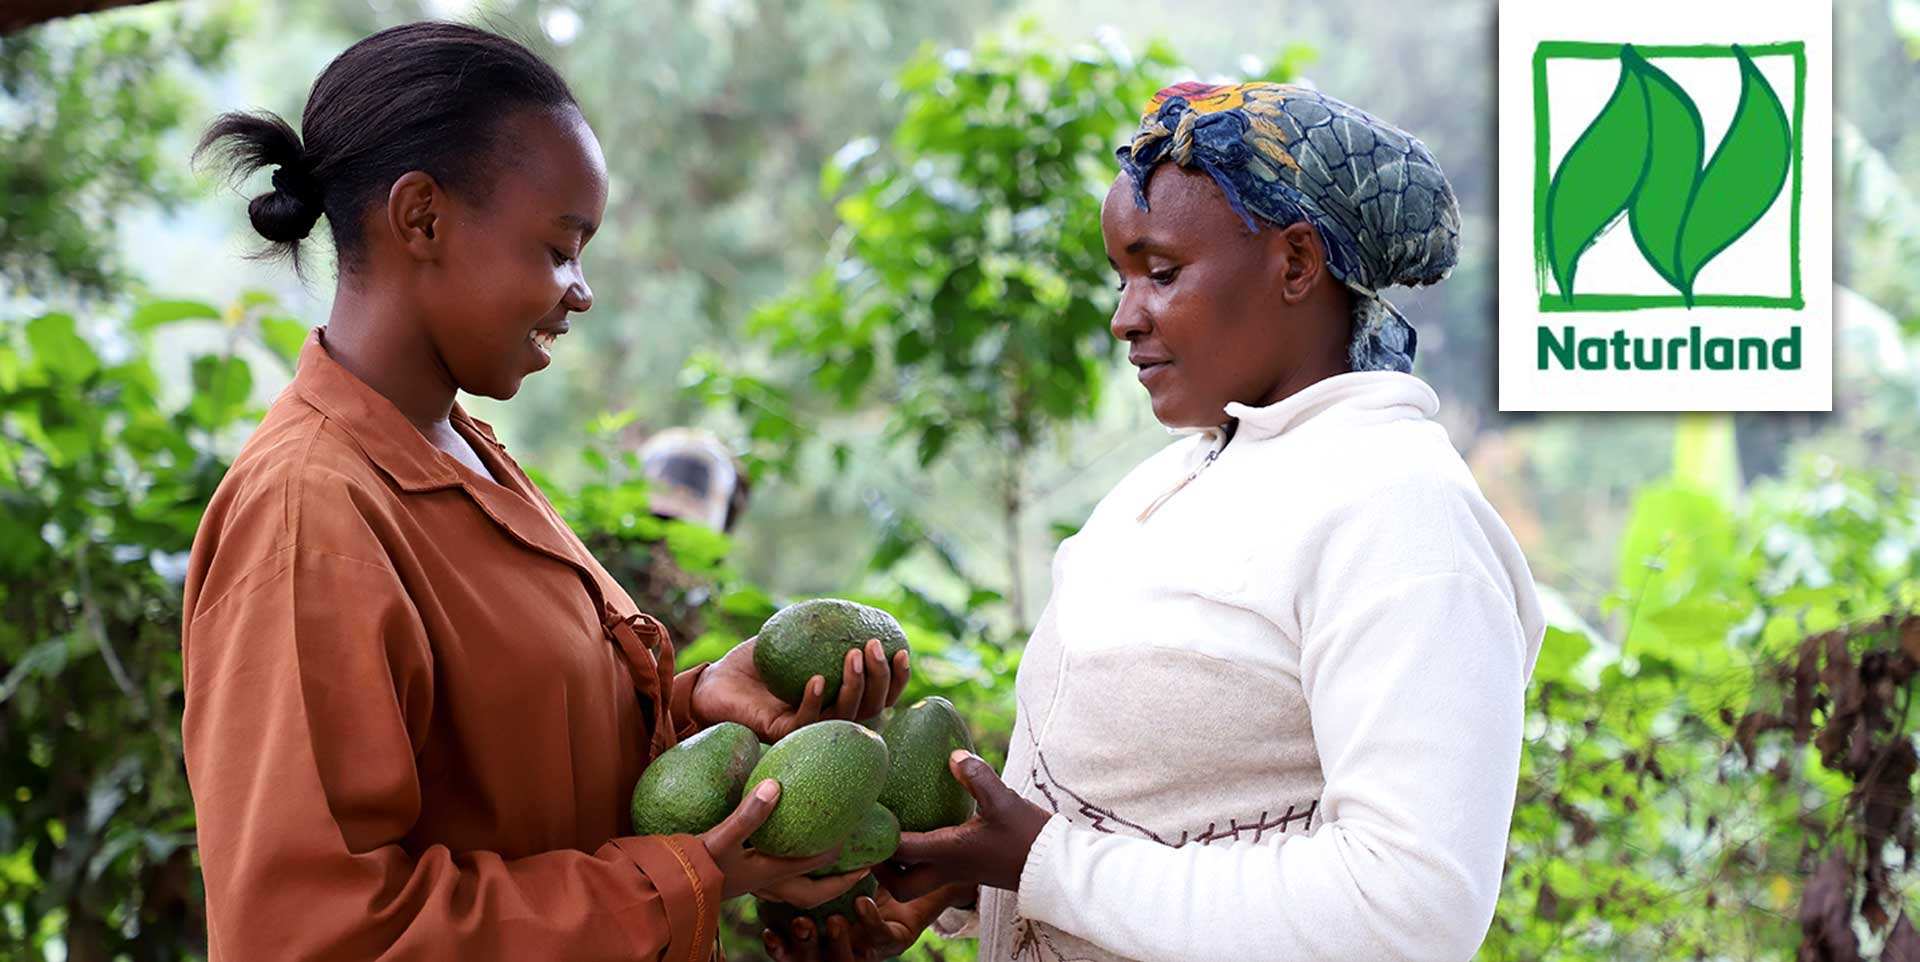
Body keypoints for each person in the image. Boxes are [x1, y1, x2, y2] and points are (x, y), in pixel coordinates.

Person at [766, 81, 1546, 962]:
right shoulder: (1160, 487)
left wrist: (1048, 867)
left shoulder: (1401, 517)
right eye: (1122, 277)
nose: (1124, 318)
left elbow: (1409, 909)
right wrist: (963, 883)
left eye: (1162, 272)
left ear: (1296, 265)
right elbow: (1130, 812)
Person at [180, 21, 909, 961]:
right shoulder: (307, 514)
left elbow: (521, 777)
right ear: (422, 219)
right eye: (562, 248)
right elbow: (315, 932)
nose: (582, 291)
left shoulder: (459, 451)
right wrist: (686, 880)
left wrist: (693, 712)